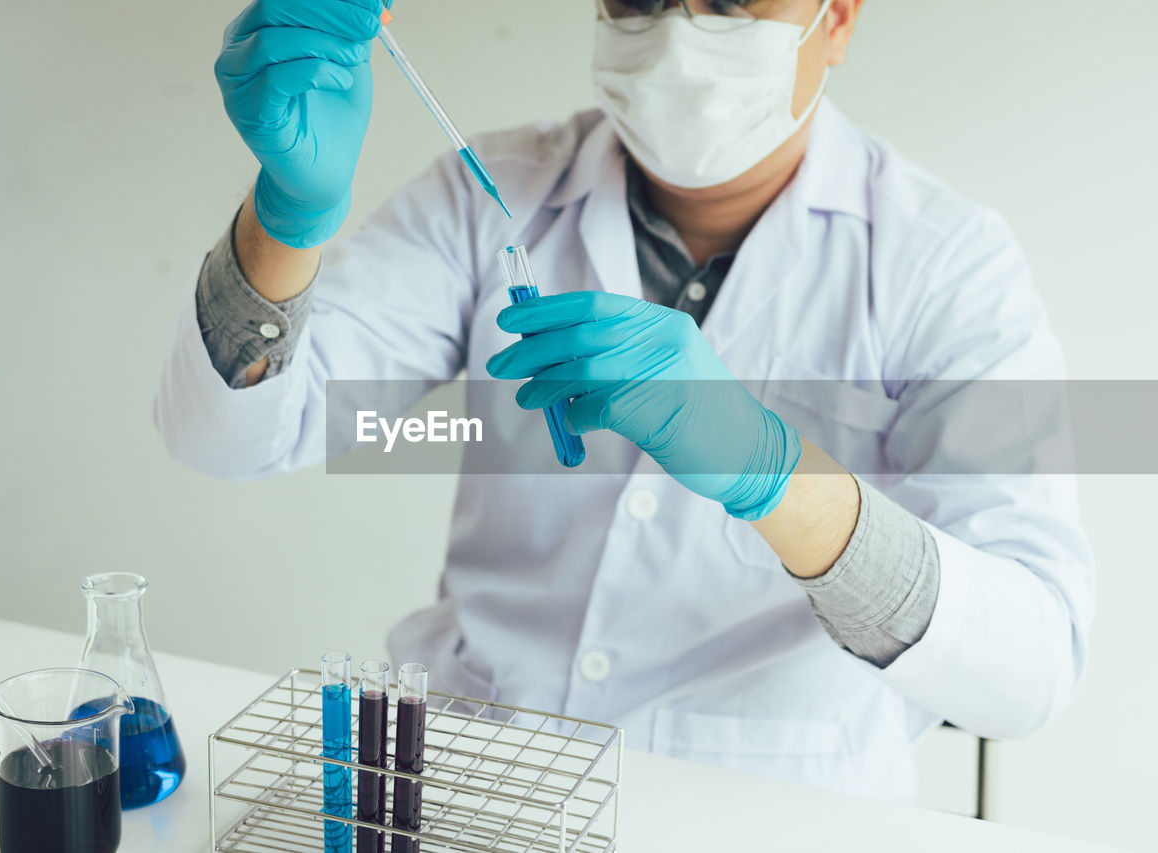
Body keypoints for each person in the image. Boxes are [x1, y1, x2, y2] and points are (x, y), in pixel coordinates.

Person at [155, 0, 1094, 800]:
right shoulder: (494, 195)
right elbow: (223, 436)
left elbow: (1031, 669)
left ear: (836, 16)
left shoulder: (944, 263)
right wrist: (286, 216)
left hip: (770, 809)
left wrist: (779, 476)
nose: (678, 35)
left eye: (729, 3)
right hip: (477, 781)